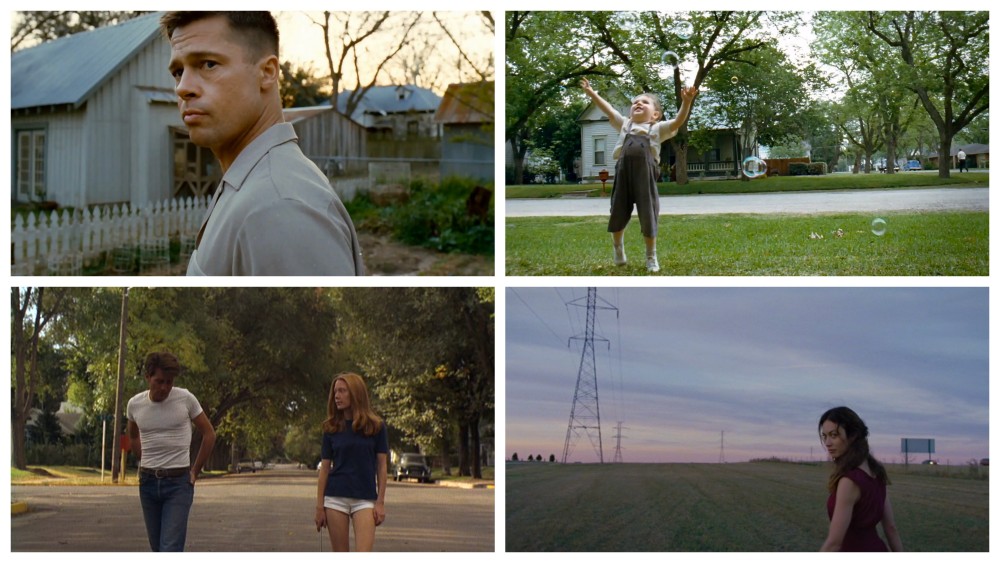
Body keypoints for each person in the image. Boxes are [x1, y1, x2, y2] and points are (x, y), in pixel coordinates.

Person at [161, 12, 365, 276]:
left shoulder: (280, 207)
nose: (183, 88)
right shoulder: (253, 184)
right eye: (178, 72)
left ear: (267, 73)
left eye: (208, 64)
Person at [581, 78, 697, 272]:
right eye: (635, 102)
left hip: (646, 179)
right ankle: (618, 248)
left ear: (656, 115)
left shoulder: (657, 129)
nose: (638, 103)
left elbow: (678, 121)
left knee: (649, 215)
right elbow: (609, 109)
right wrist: (592, 93)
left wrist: (686, 102)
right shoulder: (625, 125)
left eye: (645, 102)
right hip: (623, 176)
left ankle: (651, 256)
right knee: (617, 213)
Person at [127, 352, 216, 551]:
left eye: (169, 382)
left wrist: (195, 471)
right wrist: (145, 461)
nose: (164, 388)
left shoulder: (185, 399)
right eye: (159, 381)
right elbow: (133, 436)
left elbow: (209, 434)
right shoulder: (135, 405)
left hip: (178, 484)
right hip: (148, 484)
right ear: (148, 377)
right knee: (158, 549)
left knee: (170, 548)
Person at [315, 373, 389, 551]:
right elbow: (324, 469)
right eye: (335, 392)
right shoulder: (331, 427)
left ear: (355, 393)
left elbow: (382, 465)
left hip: (365, 499)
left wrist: (380, 502)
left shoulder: (376, 426)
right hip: (335, 498)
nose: (337, 396)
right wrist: (319, 507)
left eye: (342, 391)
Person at [818, 406, 902, 552]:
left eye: (834, 435)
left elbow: (834, 543)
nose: (827, 443)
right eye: (824, 436)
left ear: (853, 435)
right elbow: (891, 528)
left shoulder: (849, 481)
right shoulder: (876, 472)